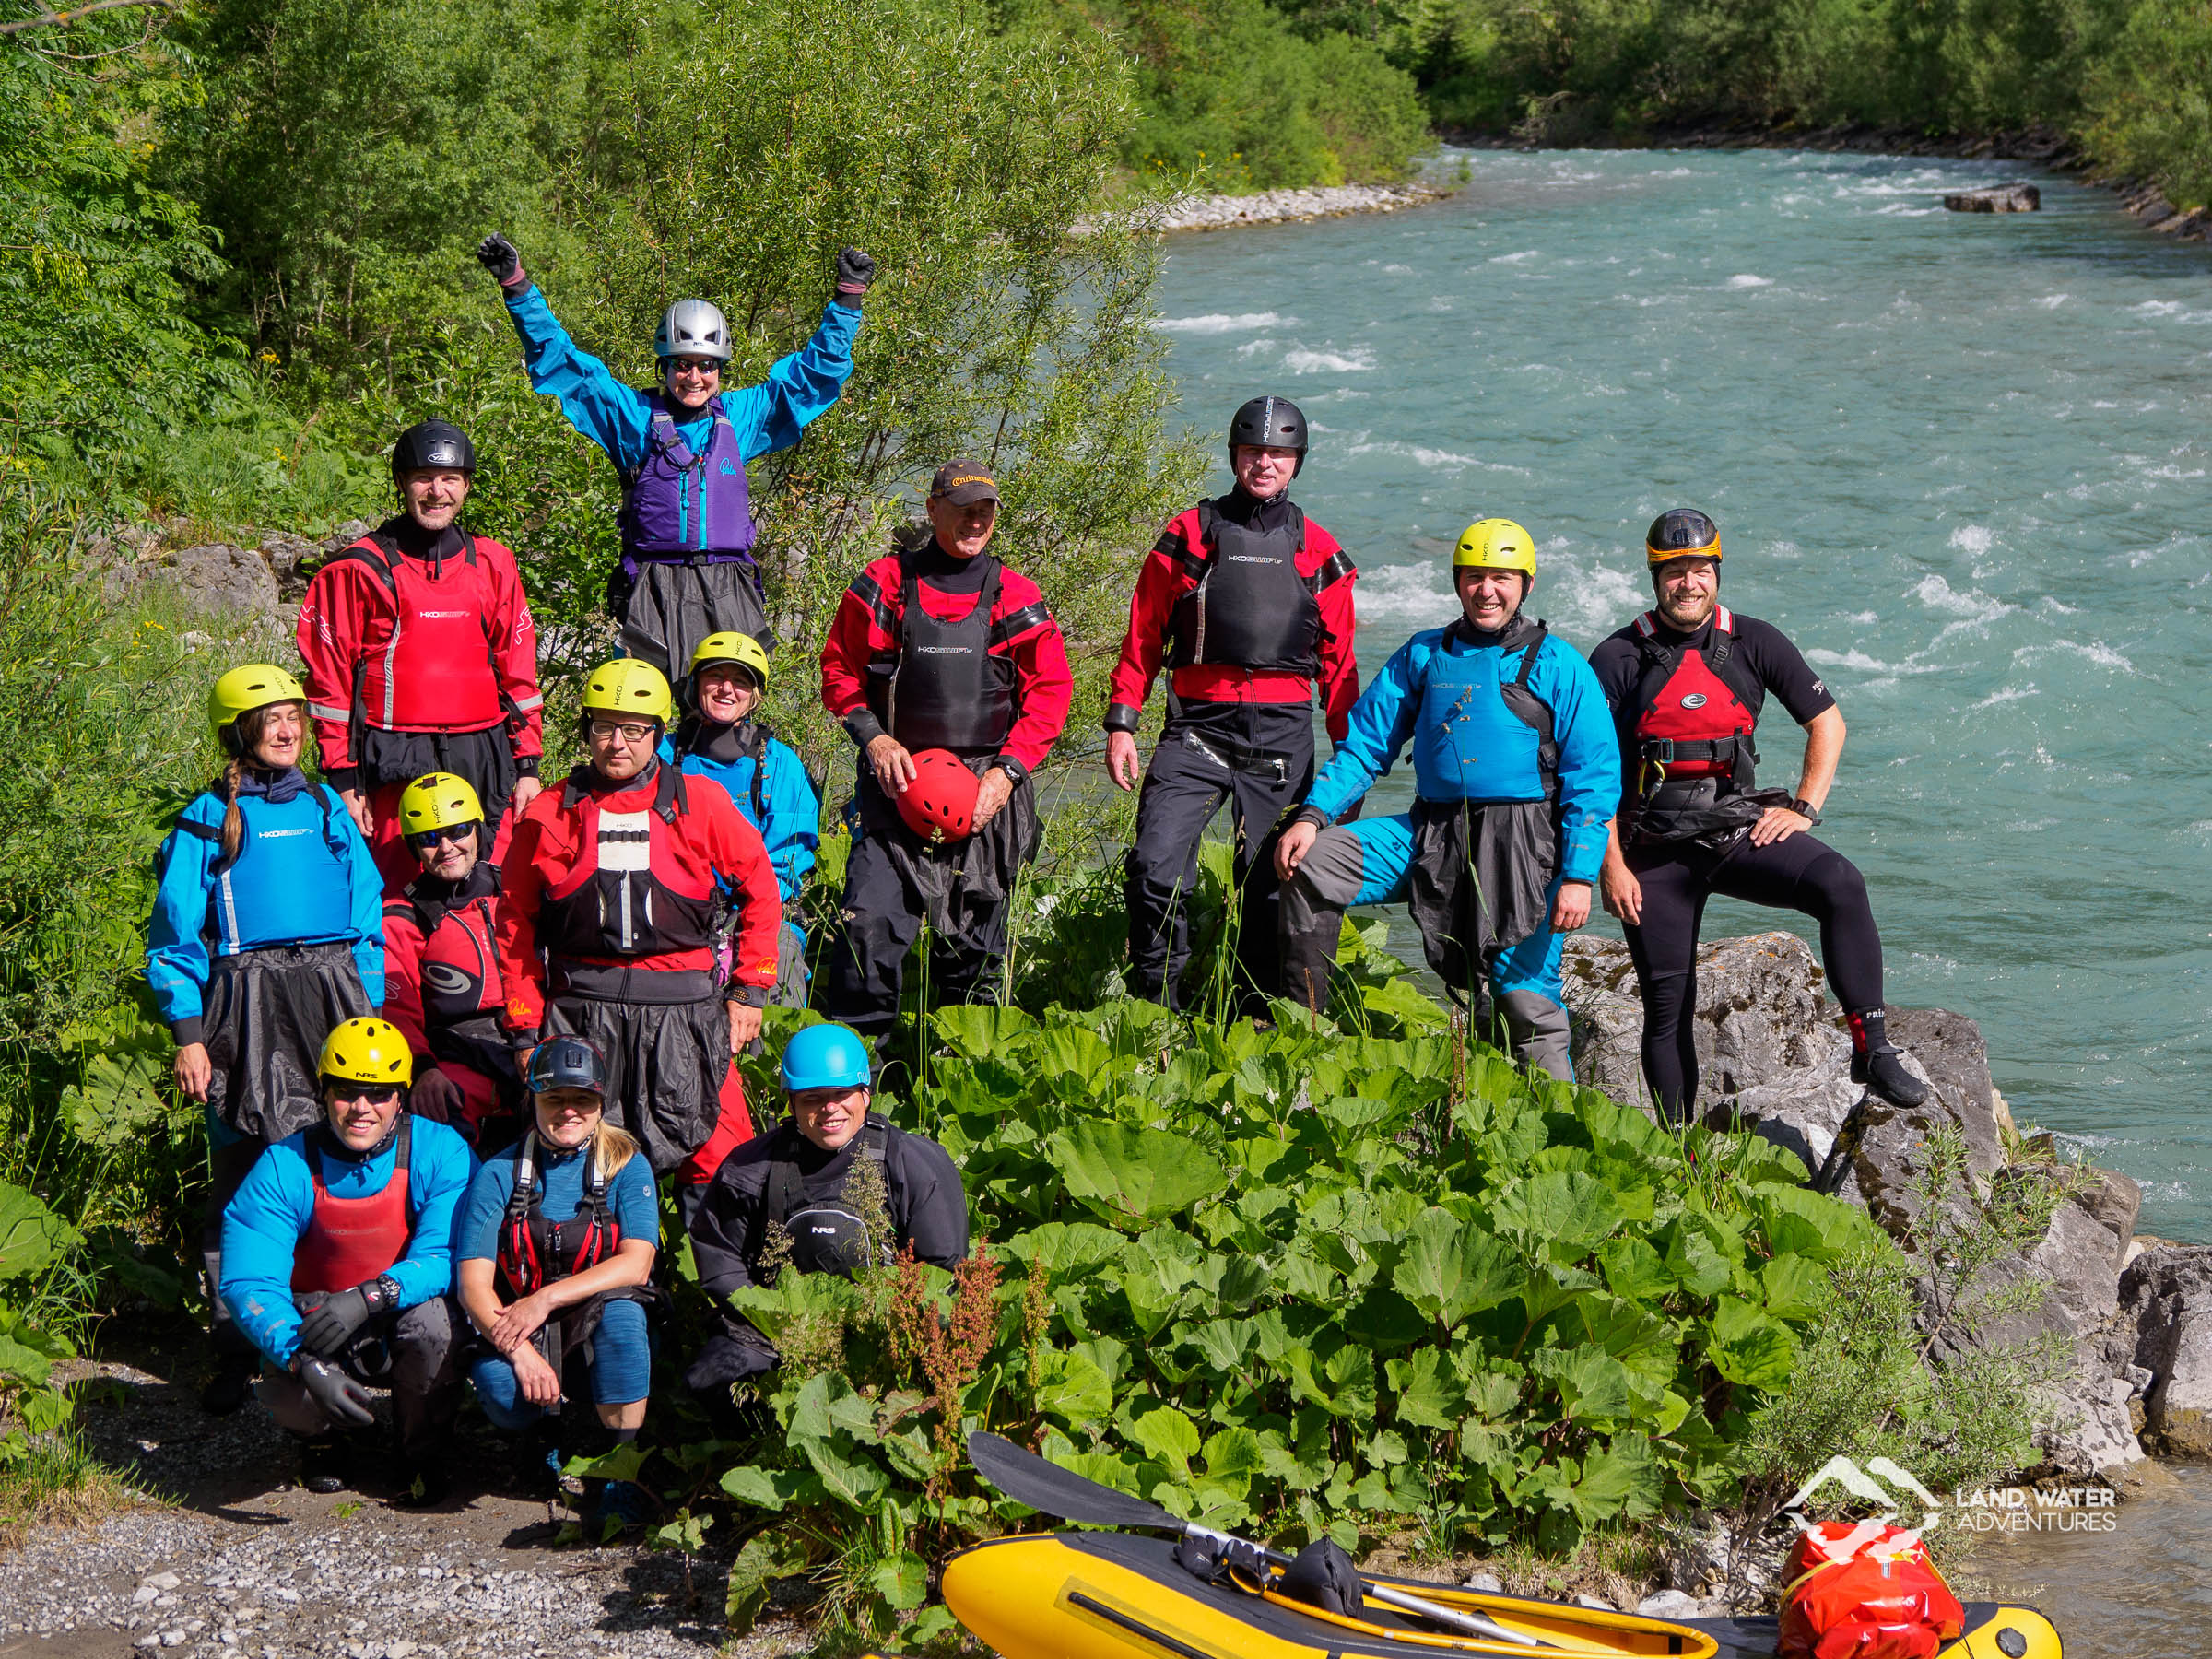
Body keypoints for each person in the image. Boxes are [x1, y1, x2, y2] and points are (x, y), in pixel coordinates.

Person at [1591, 509, 1927, 1118]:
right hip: (1654, 851)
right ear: (1653, 576)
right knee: (1668, 1006)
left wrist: (1803, 806)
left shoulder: (1754, 640)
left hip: (1736, 830)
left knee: (1841, 883)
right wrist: (1611, 866)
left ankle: (1872, 1049)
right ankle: (1677, 1154)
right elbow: (1589, 774)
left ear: (1716, 573)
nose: (1687, 583)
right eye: (1673, 572)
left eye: (1699, 570)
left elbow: (1827, 722)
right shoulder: (1618, 656)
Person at [1274, 521, 1619, 1078]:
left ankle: (1559, 1129)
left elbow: (1593, 778)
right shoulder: (1423, 656)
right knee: (1315, 863)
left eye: (1501, 577)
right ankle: (1306, 1039)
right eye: (1475, 576)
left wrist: (1579, 874)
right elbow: (1365, 747)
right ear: (1458, 583)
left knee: (1521, 998)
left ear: (1525, 585)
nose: (1488, 590)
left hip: (1524, 850)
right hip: (1432, 835)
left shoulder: (1560, 665)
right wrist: (1313, 815)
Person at [147, 664, 385, 1414]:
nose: (287, 730)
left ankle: (334, 1339)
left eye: (294, 717)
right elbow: (175, 936)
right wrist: (189, 1036)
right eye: (271, 719)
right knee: (242, 1177)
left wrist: (369, 1012)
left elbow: (368, 914)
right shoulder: (205, 818)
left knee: (334, 1167)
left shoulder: (324, 807)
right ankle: (233, 1344)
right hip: (242, 1005)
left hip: (332, 994)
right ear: (238, 733)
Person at [476, 230, 875, 675]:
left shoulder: (741, 417)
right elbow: (566, 366)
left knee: (728, 712)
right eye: (681, 364)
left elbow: (810, 381)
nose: (694, 377)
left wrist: (847, 302)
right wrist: (518, 287)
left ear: (720, 369)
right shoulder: (632, 417)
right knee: (643, 712)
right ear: (663, 366)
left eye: (706, 366)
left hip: (730, 587)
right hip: (652, 587)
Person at [495, 659, 782, 1214]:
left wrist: (749, 989)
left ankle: (718, 1290)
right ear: (585, 732)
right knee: (580, 1160)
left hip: (687, 1016)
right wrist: (526, 1028)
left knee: (722, 1156)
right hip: (581, 1015)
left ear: (658, 732)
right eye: (604, 727)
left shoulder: (700, 803)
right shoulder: (550, 813)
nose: (617, 743)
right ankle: (602, 1287)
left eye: (634, 729)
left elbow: (762, 893)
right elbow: (514, 926)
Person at [1106, 396, 1359, 1011]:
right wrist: (1122, 722)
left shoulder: (1321, 553)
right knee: (1153, 869)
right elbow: (1143, 631)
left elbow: (1341, 668)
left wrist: (1350, 768)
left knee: (1272, 885)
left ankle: (1254, 1019)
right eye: (1253, 452)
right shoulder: (1190, 535)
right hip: (1195, 731)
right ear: (1234, 456)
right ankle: (1158, 1011)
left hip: (1281, 737)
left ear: (1297, 461)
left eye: (1278, 453)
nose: (1264, 463)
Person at [815, 460, 1072, 1034]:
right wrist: (873, 737)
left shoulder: (1015, 596)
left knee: (975, 952)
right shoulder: (884, 584)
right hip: (894, 783)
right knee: (868, 928)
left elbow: (1052, 690)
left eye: (985, 511)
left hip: (984, 790)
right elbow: (838, 670)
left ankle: (959, 1080)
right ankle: (858, 1080)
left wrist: (1009, 772)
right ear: (932, 510)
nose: (974, 522)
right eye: (962, 510)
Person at [218, 1018, 477, 1500]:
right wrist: (302, 1362)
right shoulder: (284, 1165)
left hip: (397, 1307)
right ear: (323, 1093)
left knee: (436, 1327)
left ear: (401, 1097)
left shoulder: (440, 1151)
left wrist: (370, 1297)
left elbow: (448, 1255)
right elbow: (249, 1280)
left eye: (378, 1093)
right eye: (346, 1092)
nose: (362, 1108)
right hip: (315, 1316)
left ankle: (418, 1449)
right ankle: (321, 1441)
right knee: (282, 1390)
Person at [297, 418, 545, 893]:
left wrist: (528, 765)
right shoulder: (356, 568)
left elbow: (518, 671)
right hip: (393, 754)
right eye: (423, 478)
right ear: (401, 483)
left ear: (467, 486)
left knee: (490, 887)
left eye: (450, 479)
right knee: (397, 890)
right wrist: (343, 779)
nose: (437, 491)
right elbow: (329, 683)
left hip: (484, 752)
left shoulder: (494, 562)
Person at [683, 1023, 968, 1407]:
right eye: (813, 1098)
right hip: (783, 1329)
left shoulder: (915, 1164)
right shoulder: (750, 1168)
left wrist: (880, 1324)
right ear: (791, 1105)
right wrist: (783, 1322)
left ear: (866, 1095)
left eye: (841, 1094)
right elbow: (721, 1261)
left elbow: (941, 1267)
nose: (829, 1108)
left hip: (883, 1328)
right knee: (709, 1381)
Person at [454, 1036, 659, 1529]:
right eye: (554, 1099)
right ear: (533, 1100)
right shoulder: (499, 1173)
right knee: (504, 1393)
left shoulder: (627, 1164)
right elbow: (472, 1284)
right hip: (522, 1319)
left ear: (600, 1103)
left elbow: (637, 1264)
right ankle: (541, 1438)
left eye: (582, 1100)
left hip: (591, 1311)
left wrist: (544, 1300)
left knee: (627, 1320)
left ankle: (620, 1467)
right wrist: (521, 1353)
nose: (569, 1112)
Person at [660, 631, 821, 1007]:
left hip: (755, 915)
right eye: (716, 677)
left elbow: (787, 863)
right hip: (675, 907)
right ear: (696, 684)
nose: (726, 690)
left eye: (741, 681)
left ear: (755, 695)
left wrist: (739, 921)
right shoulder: (660, 755)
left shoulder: (778, 764)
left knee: (780, 966)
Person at [381, 772, 524, 1151]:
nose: (446, 847)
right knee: (438, 1115)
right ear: (413, 848)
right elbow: (397, 1009)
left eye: (458, 831)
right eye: (428, 839)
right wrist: (423, 1069)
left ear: (477, 830)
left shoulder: (512, 889)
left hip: (528, 1039)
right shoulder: (403, 917)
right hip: (457, 1049)